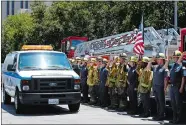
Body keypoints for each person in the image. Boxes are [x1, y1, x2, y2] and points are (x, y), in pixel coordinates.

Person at [165, 50, 185, 124]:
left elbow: (183, 78)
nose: (174, 58)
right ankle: (174, 118)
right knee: (173, 104)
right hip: (172, 87)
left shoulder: (182, 66)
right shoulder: (173, 65)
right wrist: (168, 59)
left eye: (176, 57)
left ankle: (179, 119)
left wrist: (181, 87)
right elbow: (166, 68)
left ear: (179, 58)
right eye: (174, 57)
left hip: (177, 87)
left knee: (178, 104)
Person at [146, 53, 168, 121]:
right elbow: (148, 68)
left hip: (160, 87)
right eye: (157, 59)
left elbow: (165, 79)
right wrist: (150, 61)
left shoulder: (164, 68)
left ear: (162, 59)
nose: (157, 60)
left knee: (161, 102)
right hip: (155, 87)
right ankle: (158, 114)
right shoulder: (155, 67)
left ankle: (162, 115)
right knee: (157, 102)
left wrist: (165, 88)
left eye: (158, 59)